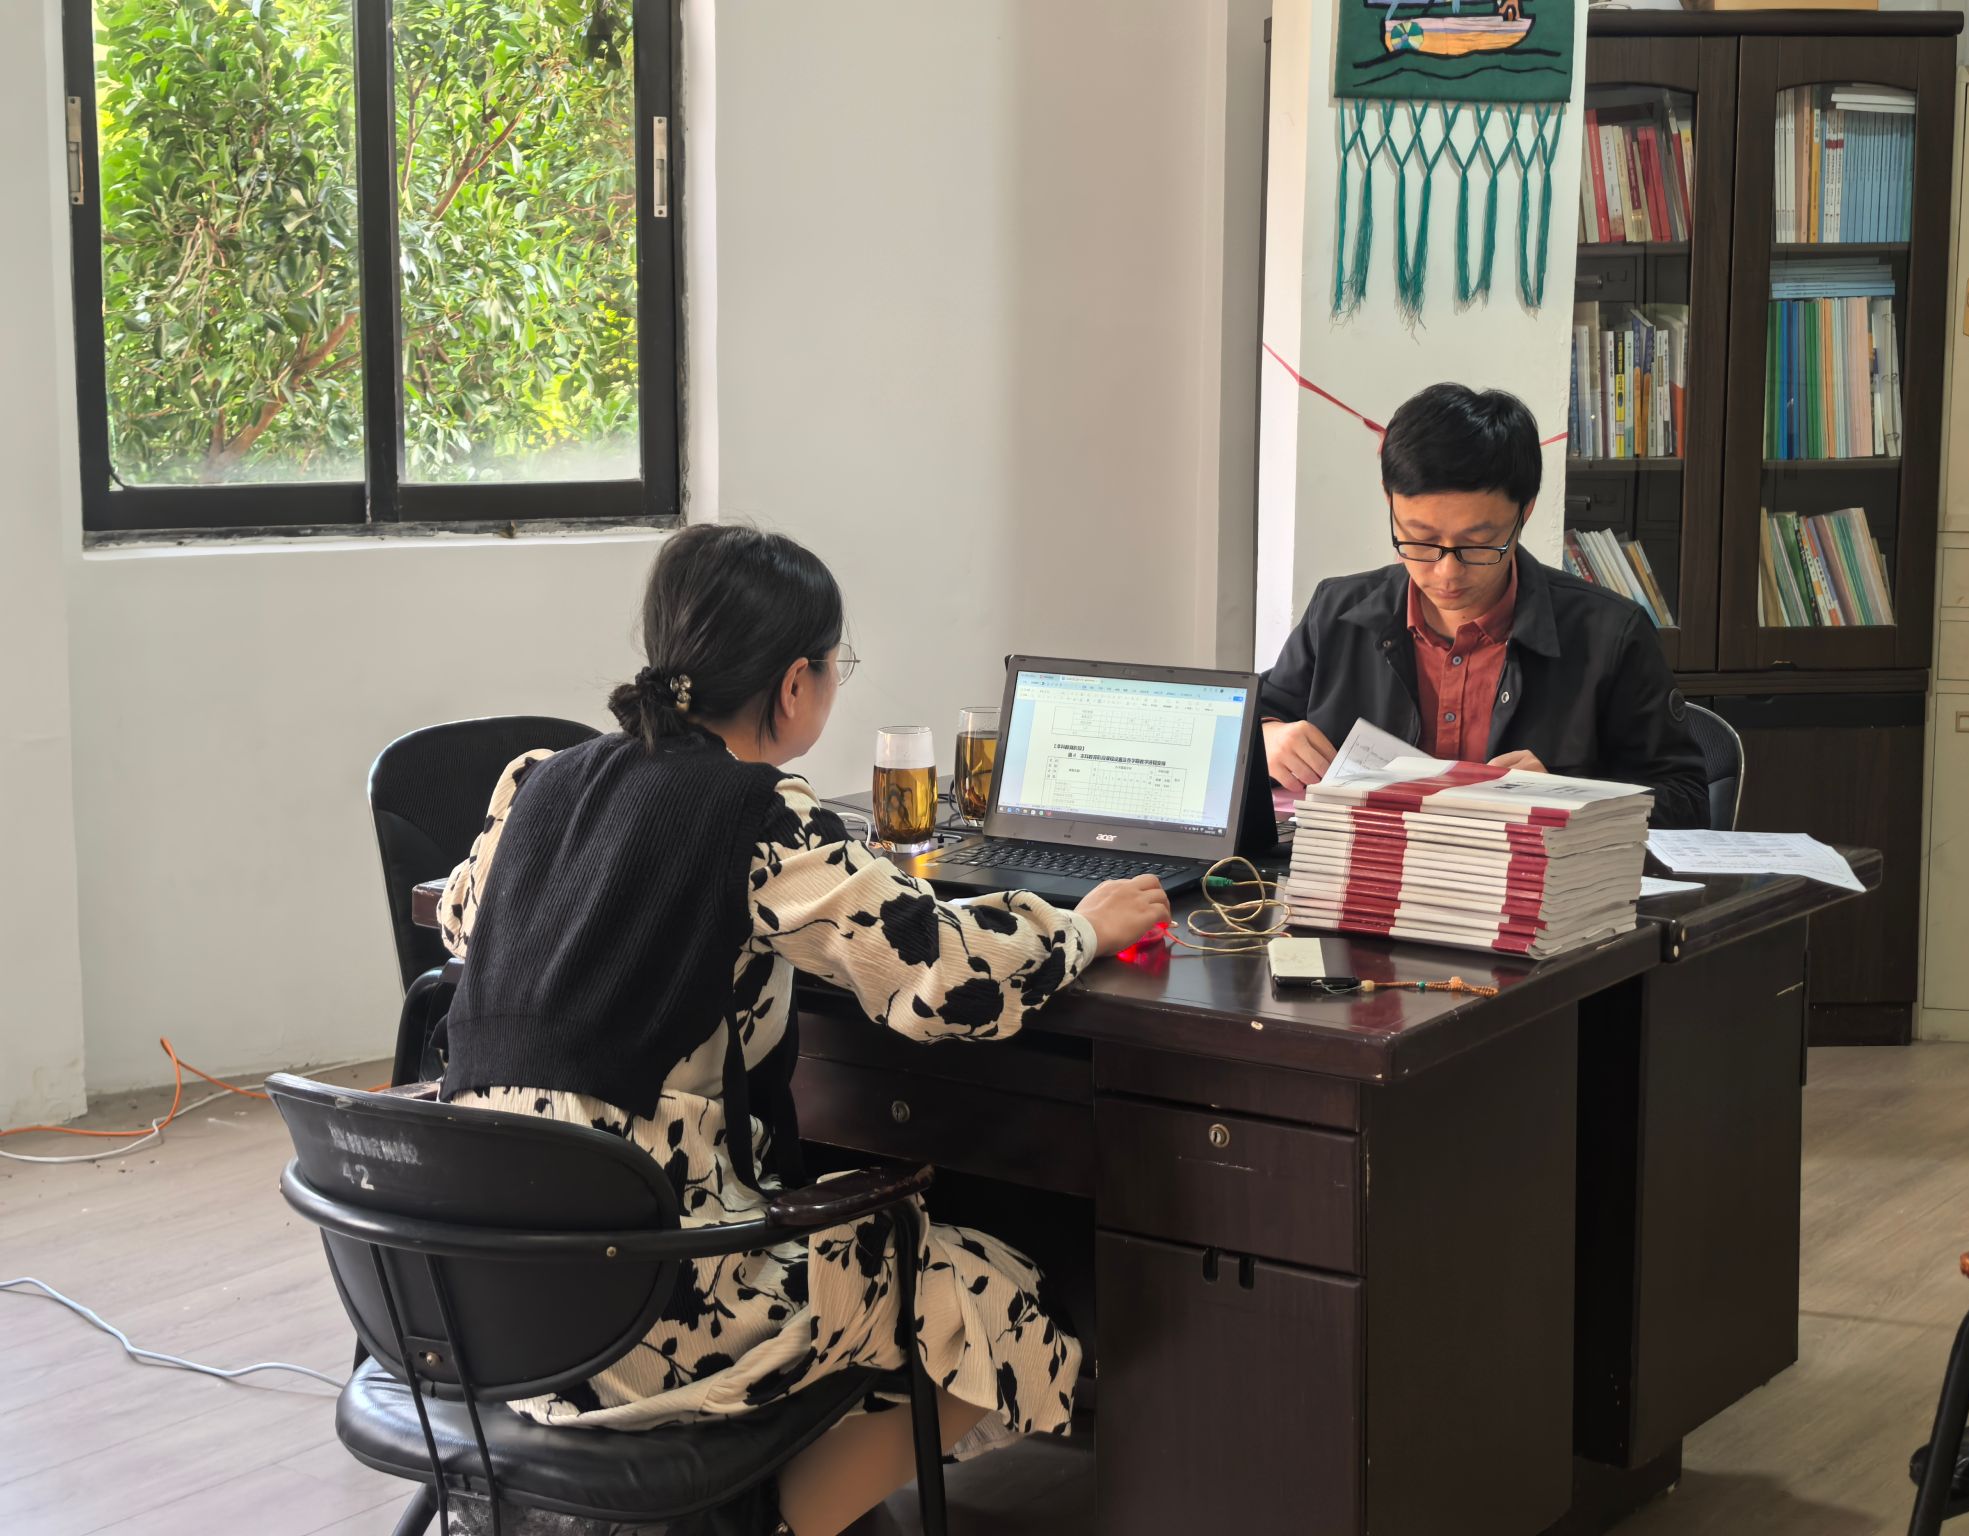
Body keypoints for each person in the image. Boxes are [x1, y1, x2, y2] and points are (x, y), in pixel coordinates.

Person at [434, 524, 1170, 1536]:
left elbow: (461, 919)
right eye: (833, 666)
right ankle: (772, 1520)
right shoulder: (759, 815)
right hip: (652, 1308)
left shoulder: (536, 780)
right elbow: (946, 979)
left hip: (483, 1300)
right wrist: (1084, 927)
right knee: (1007, 1299)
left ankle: (737, 1489)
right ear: (794, 686)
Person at [1259, 383, 1708, 829]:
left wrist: (1565, 794)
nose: (1446, 573)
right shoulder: (1335, 614)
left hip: (1529, 873)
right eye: (1420, 539)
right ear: (1388, 499)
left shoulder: (1610, 635)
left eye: (1478, 544)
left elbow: (1687, 801)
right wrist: (1267, 738)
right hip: (1361, 867)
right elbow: (1255, 718)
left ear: (1524, 512)